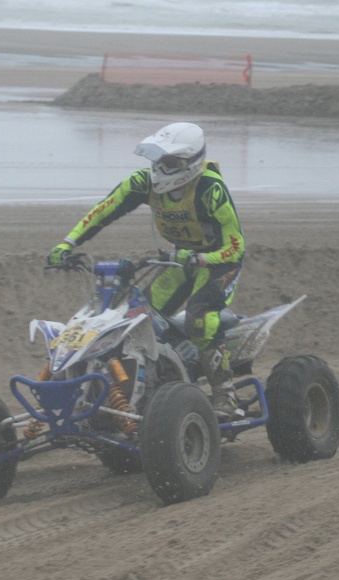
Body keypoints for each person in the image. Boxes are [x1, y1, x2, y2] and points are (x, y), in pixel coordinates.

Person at [47, 122, 245, 416]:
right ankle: (161, 384)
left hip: (218, 263)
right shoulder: (143, 183)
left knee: (201, 319)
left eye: (170, 163)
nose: (161, 169)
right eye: (159, 161)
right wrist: (67, 244)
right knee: (142, 319)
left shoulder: (210, 190)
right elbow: (105, 209)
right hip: (180, 261)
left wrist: (203, 259)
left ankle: (225, 396)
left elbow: (236, 245)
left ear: (189, 163)